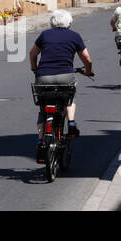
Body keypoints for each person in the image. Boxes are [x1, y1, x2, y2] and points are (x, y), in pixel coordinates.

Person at [28, 9, 93, 158]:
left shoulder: (45, 35)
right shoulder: (74, 36)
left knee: (43, 110)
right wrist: (88, 71)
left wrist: (34, 68)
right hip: (66, 76)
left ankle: (40, 142)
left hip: (43, 77)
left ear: (52, 22)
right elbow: (87, 59)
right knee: (69, 97)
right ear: (69, 23)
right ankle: (70, 122)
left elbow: (32, 54)